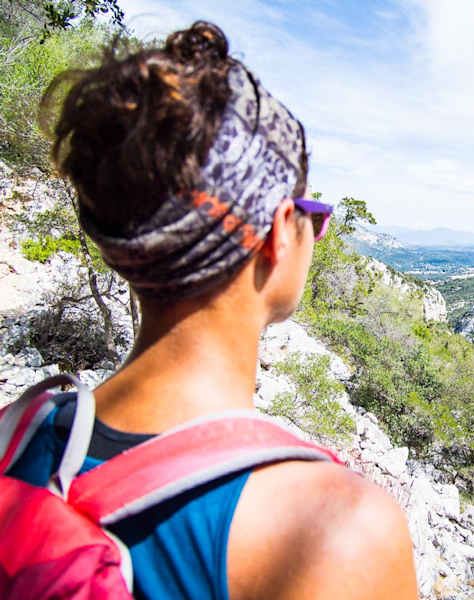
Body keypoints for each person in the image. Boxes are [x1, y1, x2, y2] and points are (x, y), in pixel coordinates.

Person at [11, 21, 417, 600]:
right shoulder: (336, 533)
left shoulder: (15, 437)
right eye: (312, 212)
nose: (316, 231)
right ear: (279, 233)